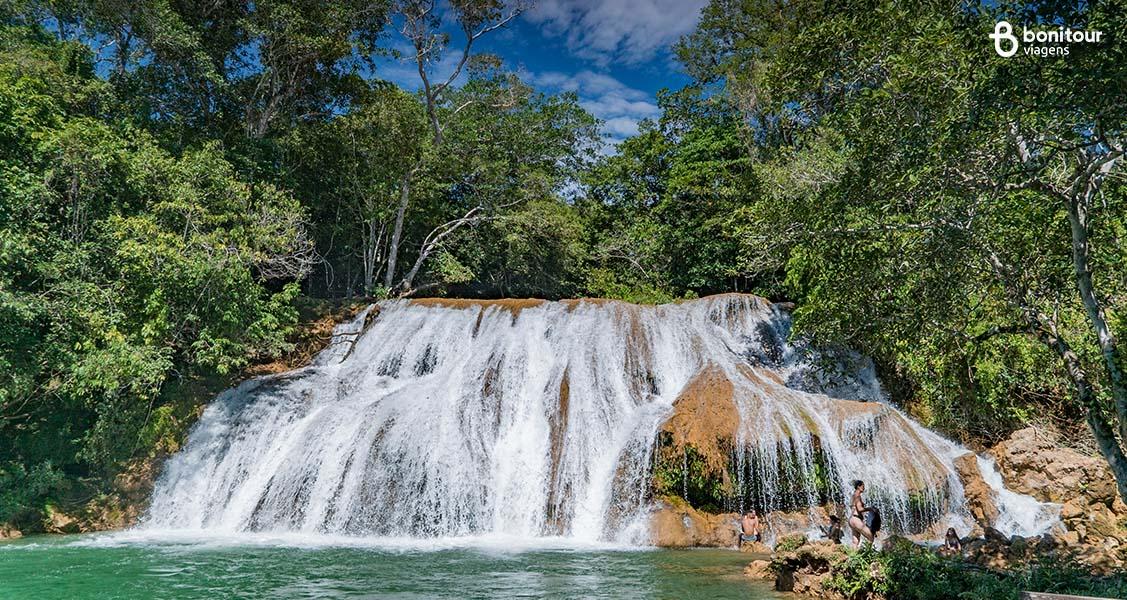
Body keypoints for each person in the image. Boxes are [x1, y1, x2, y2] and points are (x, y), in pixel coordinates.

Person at [848, 480, 877, 548]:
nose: (864, 488)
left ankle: (853, 556)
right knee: (871, 537)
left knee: (855, 541)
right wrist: (871, 509)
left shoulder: (853, 495)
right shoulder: (857, 496)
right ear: (858, 486)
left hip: (851, 519)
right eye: (863, 486)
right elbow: (860, 509)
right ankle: (865, 554)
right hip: (856, 519)